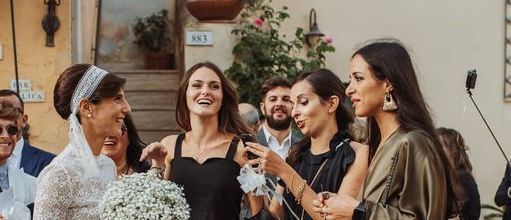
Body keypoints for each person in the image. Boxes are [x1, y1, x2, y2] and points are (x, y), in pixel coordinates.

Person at [315, 40, 462, 220]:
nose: (348, 90)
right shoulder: (381, 144)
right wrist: (338, 204)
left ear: (388, 83)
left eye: (358, 78)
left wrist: (358, 210)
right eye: (351, 79)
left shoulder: (414, 142)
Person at [141, 61, 263, 220]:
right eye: (197, 85)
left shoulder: (242, 148)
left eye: (214, 86)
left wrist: (257, 177)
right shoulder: (169, 145)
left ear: (223, 97)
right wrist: (157, 163)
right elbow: (154, 207)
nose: (205, 91)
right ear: (185, 94)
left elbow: (257, 211)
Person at [245, 69, 368, 220]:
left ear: (331, 103)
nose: (294, 112)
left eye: (303, 102)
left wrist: (284, 171)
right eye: (293, 104)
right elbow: (275, 216)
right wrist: (254, 184)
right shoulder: (295, 153)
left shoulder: (356, 153)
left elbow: (336, 217)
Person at [34, 64, 131, 220]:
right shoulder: (60, 174)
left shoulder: (108, 166)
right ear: (86, 107)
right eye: (117, 99)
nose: (127, 108)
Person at [437, 127, 480, 220]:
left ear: (452, 150)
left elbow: (473, 214)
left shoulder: (463, 178)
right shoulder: (437, 176)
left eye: (440, 145)